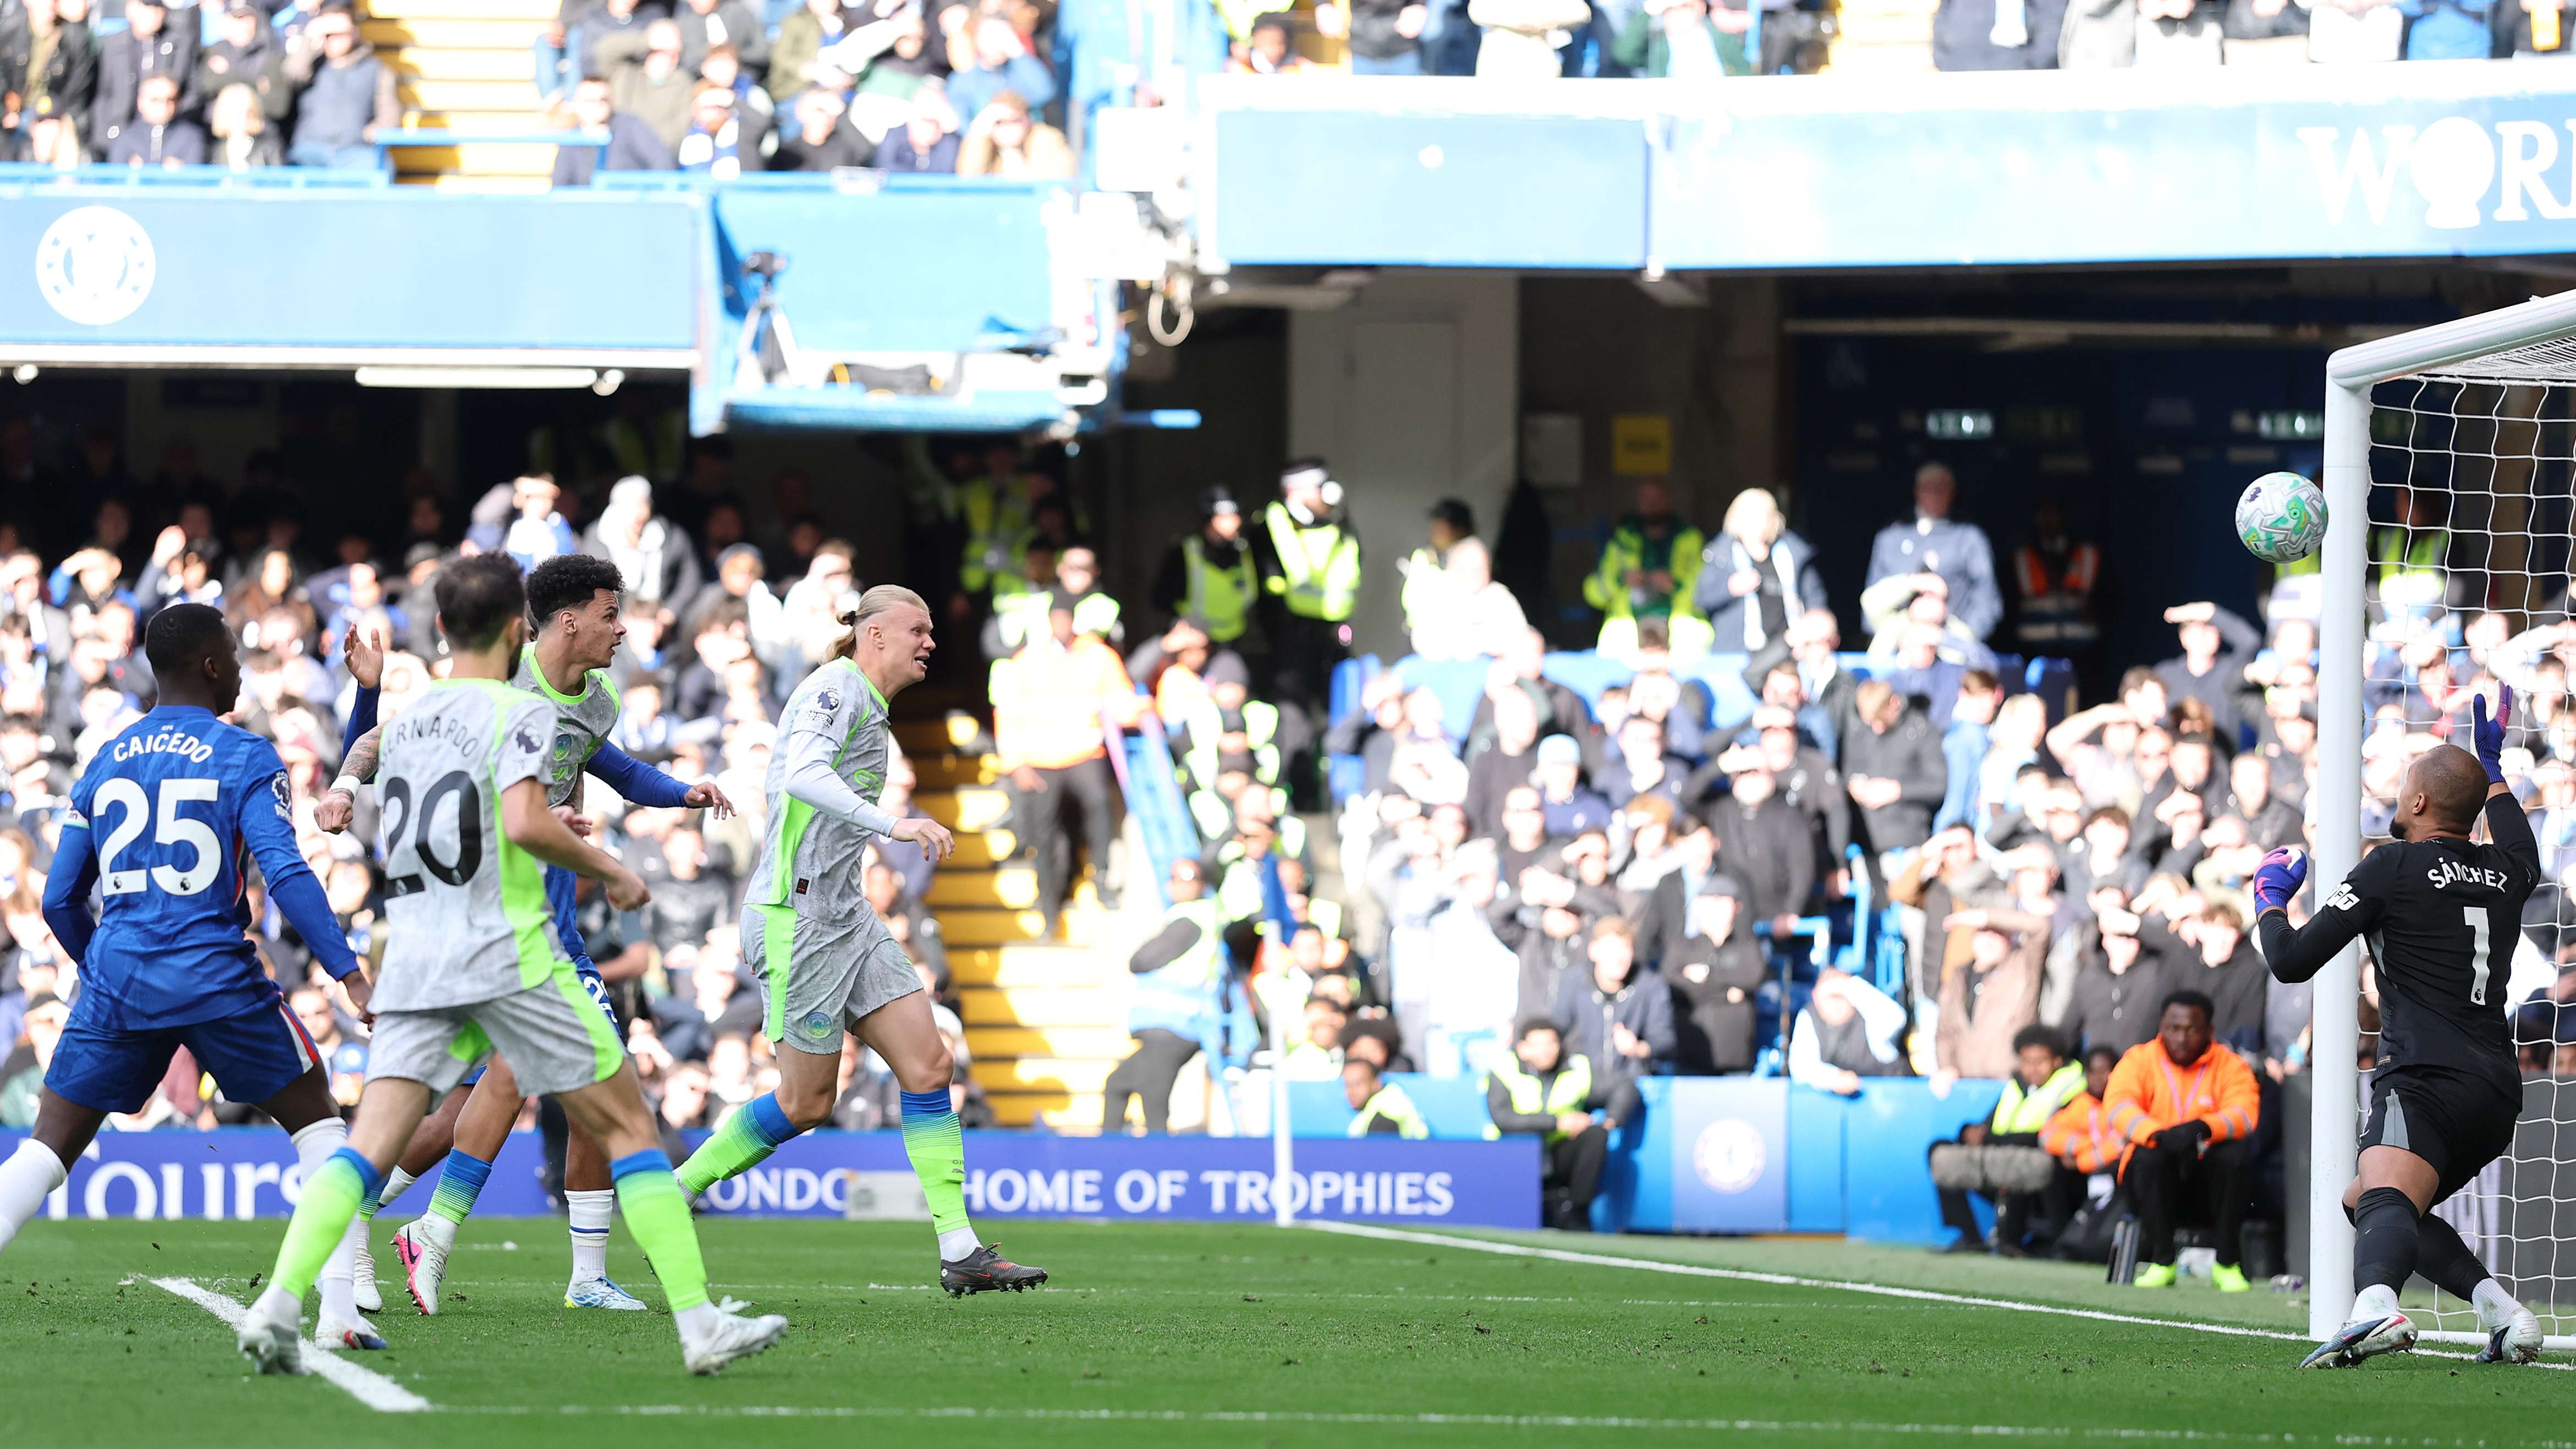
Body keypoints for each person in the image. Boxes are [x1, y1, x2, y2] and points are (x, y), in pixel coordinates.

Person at [233, 557, 787, 1375]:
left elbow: (367, 756)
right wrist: (611, 869)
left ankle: (278, 1304)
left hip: (418, 953)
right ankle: (697, 1323)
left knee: (368, 1145)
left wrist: (347, 785)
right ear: (516, 630)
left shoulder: (418, 715)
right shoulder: (522, 713)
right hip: (508, 953)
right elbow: (526, 821)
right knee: (629, 1125)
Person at [319, 555, 737, 1314]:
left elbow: (605, 765)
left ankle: (572, 1272)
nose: (623, 628)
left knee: (509, 1108)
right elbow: (381, 750)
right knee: (547, 1082)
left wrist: (683, 792)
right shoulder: (503, 693)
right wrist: (350, 770)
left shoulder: (595, 699)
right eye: (612, 613)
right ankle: (429, 1234)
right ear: (567, 619)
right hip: (491, 922)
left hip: (544, 922)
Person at [1, 606, 377, 1351]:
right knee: (322, 1125)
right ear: (210, 665)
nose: (239, 668)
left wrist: (106, 970)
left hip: (119, 977)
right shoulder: (246, 755)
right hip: (215, 974)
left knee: (47, 1146)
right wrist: (347, 971)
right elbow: (287, 870)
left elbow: (56, 899)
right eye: (232, 655)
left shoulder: (105, 758)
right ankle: (339, 1309)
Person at [669, 586, 1043, 1293]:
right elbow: (805, 775)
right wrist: (892, 823)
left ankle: (960, 1251)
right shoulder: (835, 689)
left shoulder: (871, 704)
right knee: (807, 1104)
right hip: (797, 918)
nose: (930, 642)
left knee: (930, 1066)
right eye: (917, 629)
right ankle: (677, 1186)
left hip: (847, 917)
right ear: (874, 636)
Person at [2253, 688, 2547, 1366]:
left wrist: (2270, 900)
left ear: (2417, 804)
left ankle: (2375, 1309)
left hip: (2423, 1078)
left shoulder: (2391, 864)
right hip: (2495, 1089)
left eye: (2406, 783)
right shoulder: (2509, 873)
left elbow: (2293, 960)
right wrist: (2492, 765)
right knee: (2375, 1202)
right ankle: (2504, 1315)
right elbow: (2516, 840)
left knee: (2382, 1198)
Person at [993, 592, 1138, 929]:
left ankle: (1101, 878)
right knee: (1043, 836)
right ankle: (1048, 908)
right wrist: (1015, 763)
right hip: (1040, 758)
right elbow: (1008, 713)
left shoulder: (1098, 656)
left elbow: (1121, 698)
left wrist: (1141, 710)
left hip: (1084, 751)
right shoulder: (1027, 660)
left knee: (1099, 804)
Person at [2104, 990, 2260, 1293]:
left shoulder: (2232, 1065)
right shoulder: (2138, 1058)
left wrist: (2203, 1127)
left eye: (2192, 1029)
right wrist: (2158, 1134)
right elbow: (2119, 1106)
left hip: (2207, 1185)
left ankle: (2227, 1264)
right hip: (2152, 1181)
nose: (2182, 1038)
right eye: (2174, 1028)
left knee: (2234, 1155)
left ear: (2210, 1031)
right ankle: (2162, 1262)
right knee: (2150, 1157)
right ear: (2161, 1027)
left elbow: (2244, 1114)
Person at [1931, 1025, 2084, 1254]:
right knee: (1940, 1151)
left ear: (2057, 1061)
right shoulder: (2016, 1086)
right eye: (2026, 1061)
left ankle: (2016, 1241)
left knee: (2022, 1161)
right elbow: (1989, 1125)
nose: (2032, 1068)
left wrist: (1990, 1139)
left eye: (2040, 1061)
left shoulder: (2072, 1087)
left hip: (2045, 1177)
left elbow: (2042, 1137)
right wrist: (1969, 1133)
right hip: (2000, 1159)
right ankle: (1970, 1236)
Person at [1102, 859, 1224, 1135]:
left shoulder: (1191, 919)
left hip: (1174, 1027)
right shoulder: (1187, 916)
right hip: (1166, 1028)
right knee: (1118, 1084)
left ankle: (1159, 1162)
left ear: (1202, 885)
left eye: (1189, 880)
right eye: (1176, 879)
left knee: (1154, 1101)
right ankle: (1106, 1152)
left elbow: (1141, 961)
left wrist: (1146, 946)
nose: (1180, 886)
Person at [1485, 1017, 1641, 1230]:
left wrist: (1610, 1121)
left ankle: (1577, 1212)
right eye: (1537, 1045)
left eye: (1551, 1043)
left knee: (1595, 1135)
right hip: (1516, 1157)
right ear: (1522, 1049)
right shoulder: (1504, 1069)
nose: (1546, 1051)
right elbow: (1503, 1118)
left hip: (1560, 1153)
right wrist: (1556, 1122)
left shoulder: (1577, 1068)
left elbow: (1625, 1085)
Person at [1254, 458, 1361, 716]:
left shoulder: (1340, 524)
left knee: (1342, 704)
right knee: (1293, 710)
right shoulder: (1271, 526)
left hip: (1333, 633)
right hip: (1291, 632)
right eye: (1319, 487)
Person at [1864, 462, 2001, 644]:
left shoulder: (1969, 537)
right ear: (1917, 491)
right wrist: (1913, 584)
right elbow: (1871, 603)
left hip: (1952, 647)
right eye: (1929, 489)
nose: (1935, 495)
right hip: (1900, 648)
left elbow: (1988, 601)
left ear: (1953, 493)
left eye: (1941, 489)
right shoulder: (1890, 537)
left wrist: (1960, 643)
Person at [1583, 476, 1709, 661]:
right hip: (1626, 638)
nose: (1652, 505)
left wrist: (1676, 584)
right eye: (1646, 499)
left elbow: (1709, 590)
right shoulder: (1623, 540)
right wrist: (1622, 579)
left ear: (1669, 500)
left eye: (1657, 499)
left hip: (1681, 637)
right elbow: (1593, 592)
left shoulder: (1690, 539)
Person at [1693, 486, 1826, 657]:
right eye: (1751, 518)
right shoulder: (1721, 555)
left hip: (1787, 652)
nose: (1759, 525)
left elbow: (1815, 599)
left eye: (1764, 518)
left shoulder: (1793, 553)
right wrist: (1730, 588)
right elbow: (1701, 599)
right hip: (1737, 653)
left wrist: (1810, 630)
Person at [283, 4, 396, 169]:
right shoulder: (309, 67)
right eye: (329, 34)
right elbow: (288, 78)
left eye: (341, 34)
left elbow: (390, 112)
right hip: (310, 150)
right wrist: (309, 39)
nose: (335, 39)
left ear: (355, 33)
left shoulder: (376, 69)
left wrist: (373, 132)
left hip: (357, 151)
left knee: (379, 166)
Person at [1153, 486, 1261, 650]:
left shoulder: (1245, 550)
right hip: (1193, 643)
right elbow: (1160, 599)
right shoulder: (1183, 553)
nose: (1236, 522)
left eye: (1237, 515)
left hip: (1234, 641)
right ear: (1210, 519)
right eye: (1227, 516)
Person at [106, 72, 201, 165]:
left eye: (170, 99)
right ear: (141, 102)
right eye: (155, 100)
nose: (163, 106)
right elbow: (116, 176)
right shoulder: (126, 138)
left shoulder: (190, 138)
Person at [1343, 1053, 1428, 1137]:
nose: (1350, 1092)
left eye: (1357, 1084)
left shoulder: (1386, 1115)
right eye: (1347, 1085)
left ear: (1376, 1083)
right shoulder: (1379, 1105)